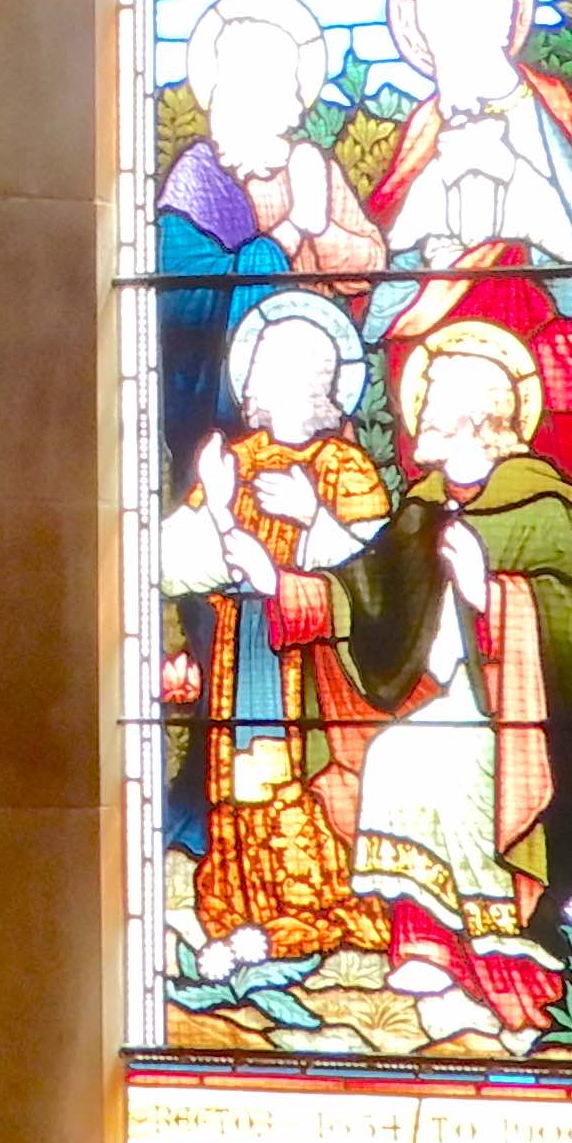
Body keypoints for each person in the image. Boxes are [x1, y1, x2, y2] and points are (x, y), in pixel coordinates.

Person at [240, 326, 572, 1046]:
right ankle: (425, 946)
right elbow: (374, 594)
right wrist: (288, 581)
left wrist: (497, 596)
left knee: (441, 765)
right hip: (451, 700)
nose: (418, 427)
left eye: (434, 415)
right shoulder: (426, 503)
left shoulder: (544, 509)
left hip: (519, 722)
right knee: (395, 754)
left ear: (478, 424)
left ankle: (501, 960)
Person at [154, 293, 393, 965]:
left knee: (299, 777)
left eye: (295, 372)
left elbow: (375, 577)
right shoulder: (240, 458)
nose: (274, 384)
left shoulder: (346, 468)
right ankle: (243, 909)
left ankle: (304, 913)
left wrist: (317, 516)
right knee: (241, 776)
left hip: (314, 666)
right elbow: (181, 560)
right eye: (264, 370)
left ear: (324, 385)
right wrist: (219, 507)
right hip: (244, 647)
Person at [365, 0, 572, 517]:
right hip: (436, 369)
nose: (451, 44)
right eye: (436, 31)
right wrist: (421, 234)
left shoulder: (556, 109)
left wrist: (523, 194)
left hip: (549, 362)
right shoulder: (424, 129)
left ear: (504, 22)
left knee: (544, 514)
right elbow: (380, 302)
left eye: (466, 21)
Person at [153, 0, 380, 485]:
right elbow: (181, 297)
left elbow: (369, 258)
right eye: (264, 83)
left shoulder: (312, 167)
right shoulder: (197, 180)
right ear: (225, 90)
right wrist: (288, 231)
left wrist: (318, 233)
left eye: (287, 84)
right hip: (227, 397)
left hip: (315, 377)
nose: (287, 102)